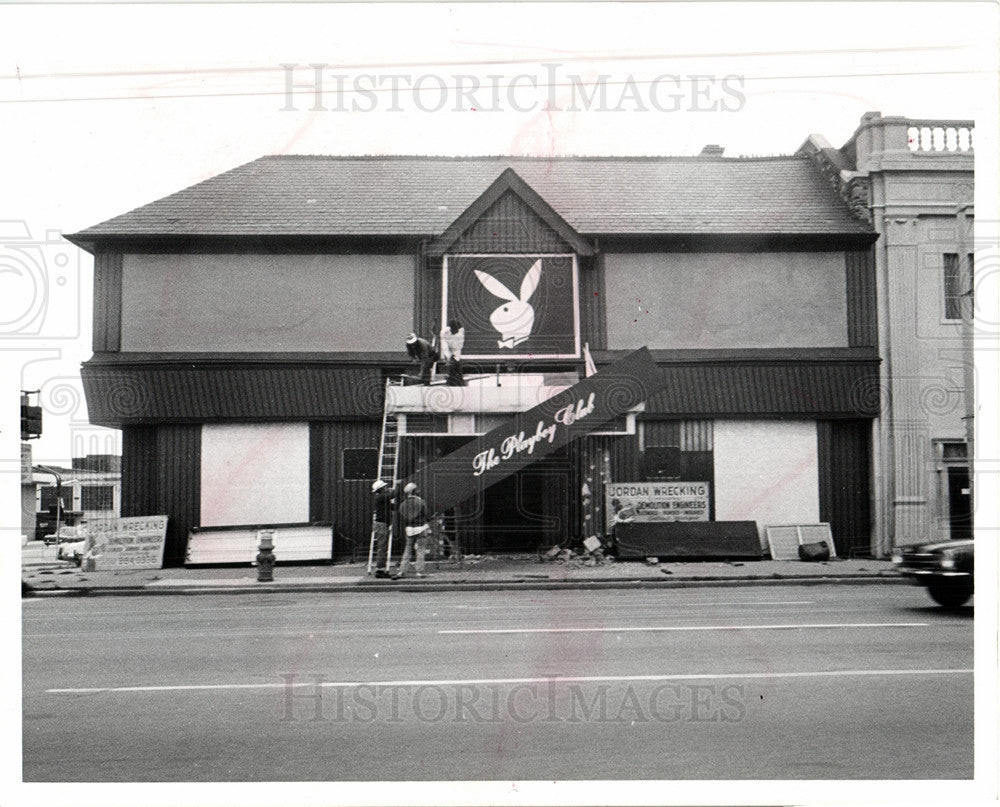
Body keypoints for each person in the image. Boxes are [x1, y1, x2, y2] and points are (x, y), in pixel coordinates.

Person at [394, 482, 430, 578]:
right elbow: (426, 515)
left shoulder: (403, 504)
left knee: (407, 550)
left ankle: (401, 571)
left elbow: (402, 517)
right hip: (421, 528)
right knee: (420, 550)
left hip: (409, 529)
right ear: (415, 491)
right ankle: (419, 572)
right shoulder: (421, 502)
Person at [369, 479, 398, 578]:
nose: (387, 488)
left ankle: (380, 569)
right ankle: (379, 571)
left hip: (381, 525)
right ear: (381, 489)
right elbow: (392, 495)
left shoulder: (382, 499)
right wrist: (399, 485)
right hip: (381, 525)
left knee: (383, 547)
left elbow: (392, 506)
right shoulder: (381, 497)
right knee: (382, 548)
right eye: (385, 487)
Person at [439, 319, 466, 387]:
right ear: (450, 329)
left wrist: (455, 357)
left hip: (456, 348)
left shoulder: (461, 332)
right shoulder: (444, 332)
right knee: (451, 363)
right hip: (448, 345)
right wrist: (449, 356)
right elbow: (444, 345)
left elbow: (459, 346)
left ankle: (459, 380)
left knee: (456, 363)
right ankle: (450, 381)